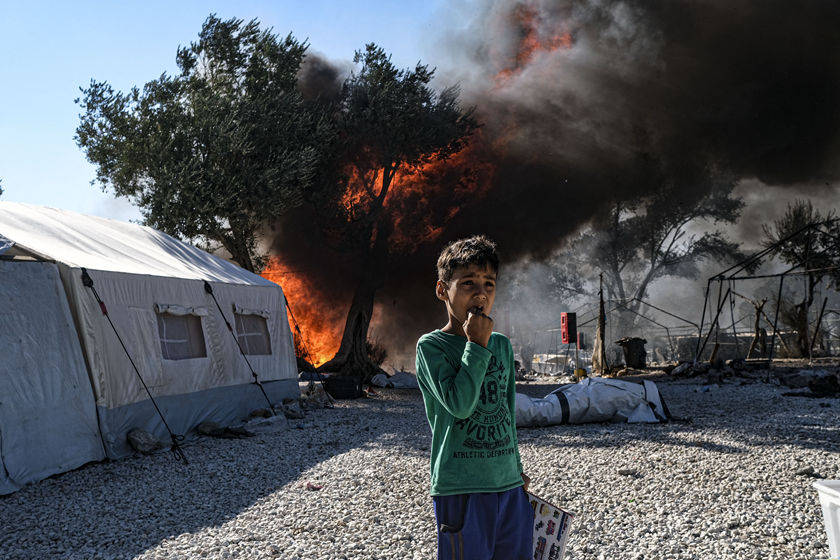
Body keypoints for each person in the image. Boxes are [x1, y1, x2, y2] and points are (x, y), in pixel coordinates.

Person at [415, 235, 533, 560]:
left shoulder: (502, 346)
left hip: (508, 487)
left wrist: (516, 469)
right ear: (443, 290)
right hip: (460, 489)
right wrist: (476, 345)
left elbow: (507, 414)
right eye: (467, 283)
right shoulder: (431, 347)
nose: (480, 293)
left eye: (489, 284)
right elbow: (460, 404)